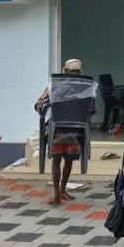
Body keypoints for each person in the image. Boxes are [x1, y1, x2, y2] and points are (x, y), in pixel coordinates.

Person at [34, 59, 94, 205]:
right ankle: (56, 192)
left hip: (71, 132)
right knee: (57, 159)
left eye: (76, 72)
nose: (73, 74)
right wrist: (41, 103)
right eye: (71, 71)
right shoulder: (54, 87)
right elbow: (39, 104)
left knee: (67, 160)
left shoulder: (81, 89)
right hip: (61, 132)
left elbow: (92, 109)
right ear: (65, 71)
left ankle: (61, 190)